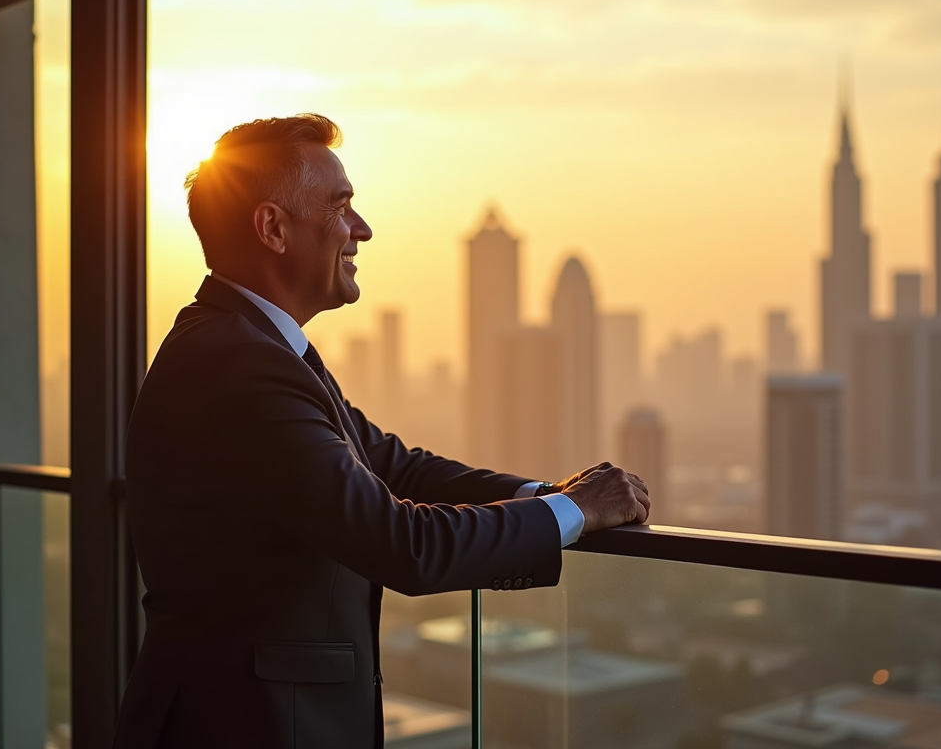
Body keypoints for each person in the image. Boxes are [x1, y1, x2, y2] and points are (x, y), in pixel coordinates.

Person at [113, 113, 649, 749]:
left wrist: (546, 494)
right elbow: (403, 544)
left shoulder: (257, 348)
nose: (361, 229)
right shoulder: (240, 364)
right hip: (245, 726)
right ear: (272, 227)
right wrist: (574, 512)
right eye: (340, 205)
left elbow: (396, 465)